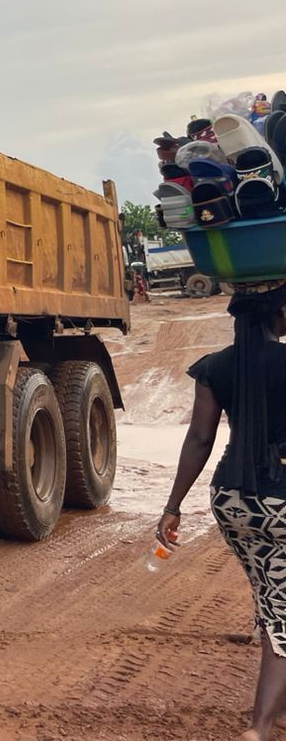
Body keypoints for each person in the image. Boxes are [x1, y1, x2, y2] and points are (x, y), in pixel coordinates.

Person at [157, 281, 286, 740]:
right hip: (281, 502)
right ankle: (261, 728)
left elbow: (199, 439)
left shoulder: (215, 367)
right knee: (281, 612)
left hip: (232, 502)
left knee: (274, 596)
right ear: (279, 313)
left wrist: (172, 507)